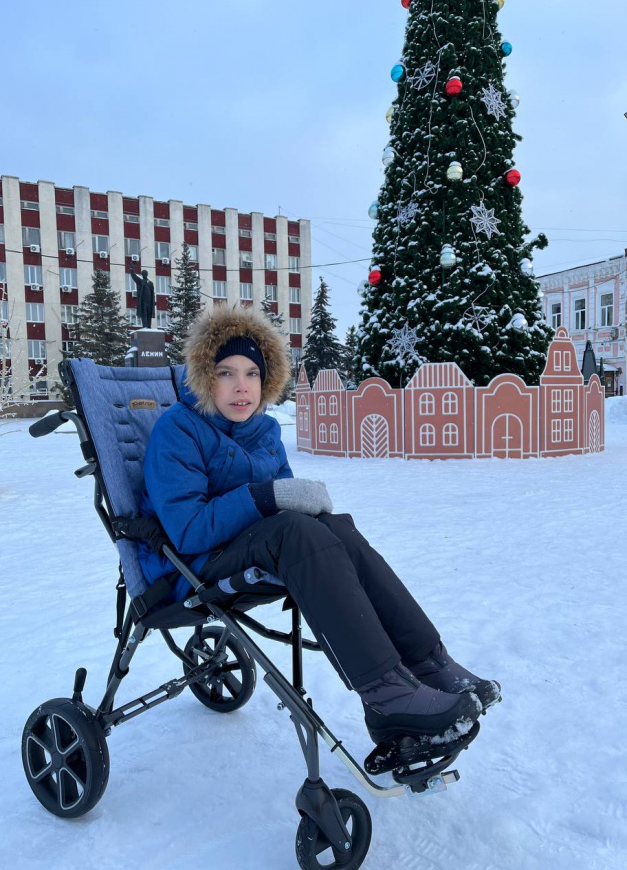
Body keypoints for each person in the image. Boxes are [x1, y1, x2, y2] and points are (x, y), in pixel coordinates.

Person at [138, 305, 500, 750]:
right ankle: (387, 697)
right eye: (225, 373)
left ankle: (429, 663)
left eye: (252, 373)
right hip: (187, 567)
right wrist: (266, 496)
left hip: (249, 548)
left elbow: (286, 507)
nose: (241, 386)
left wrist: (297, 501)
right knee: (299, 534)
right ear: (203, 377)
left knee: (336, 528)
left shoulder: (263, 431)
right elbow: (188, 530)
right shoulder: (177, 430)